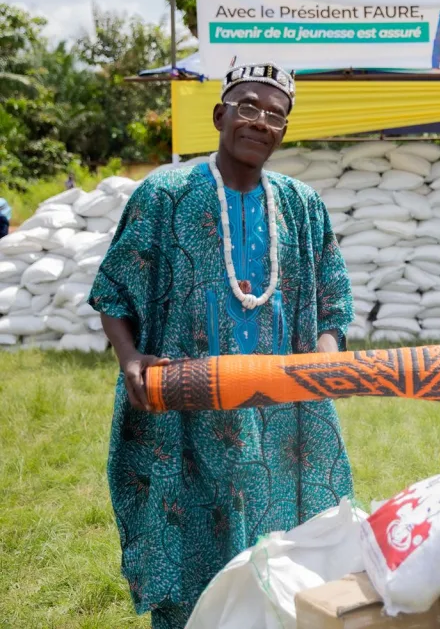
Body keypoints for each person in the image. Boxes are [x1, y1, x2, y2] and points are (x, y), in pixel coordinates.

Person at [88, 62, 356, 628]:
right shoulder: (165, 193)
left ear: (285, 130)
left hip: (283, 416)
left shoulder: (302, 204)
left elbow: (334, 295)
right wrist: (131, 358)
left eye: (275, 115)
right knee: (193, 552)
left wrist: (326, 354)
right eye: (248, 108)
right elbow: (116, 288)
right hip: (187, 412)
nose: (260, 122)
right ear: (220, 115)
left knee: (287, 547)